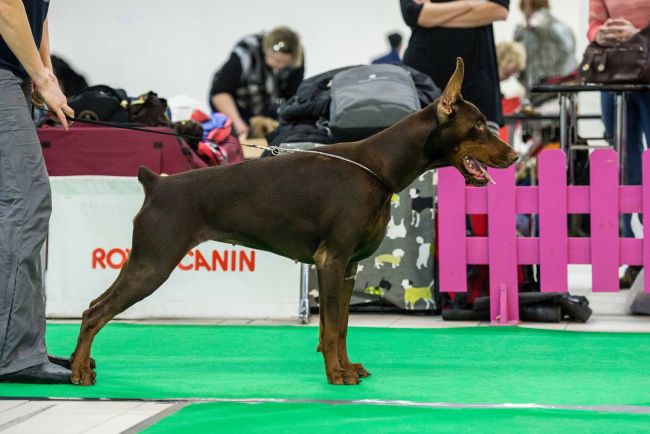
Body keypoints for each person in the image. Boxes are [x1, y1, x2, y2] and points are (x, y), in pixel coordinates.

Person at [0, 0, 75, 384]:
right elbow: (6, 6)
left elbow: (36, 12)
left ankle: (23, 345)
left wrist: (44, 72)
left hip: (14, 72)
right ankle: (14, 353)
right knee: (27, 203)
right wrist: (40, 77)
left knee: (16, 207)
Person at [589, 0, 650, 287]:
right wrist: (599, 34)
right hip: (615, 74)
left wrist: (638, 33)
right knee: (624, 164)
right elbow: (593, 24)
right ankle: (634, 257)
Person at [400, 0, 509, 133]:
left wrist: (435, 17)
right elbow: (415, 14)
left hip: (477, 81)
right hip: (425, 80)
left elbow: (499, 10)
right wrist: (471, 3)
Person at [208, 26, 304, 139]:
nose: (279, 66)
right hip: (235, 107)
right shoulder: (245, 53)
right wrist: (238, 123)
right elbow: (220, 92)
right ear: (266, 50)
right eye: (276, 60)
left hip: (266, 106)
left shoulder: (296, 57)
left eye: (284, 63)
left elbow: (293, 95)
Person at [514, 0, 578, 86]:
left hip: (543, 84)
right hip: (565, 81)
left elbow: (517, 55)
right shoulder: (562, 26)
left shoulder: (526, 28)